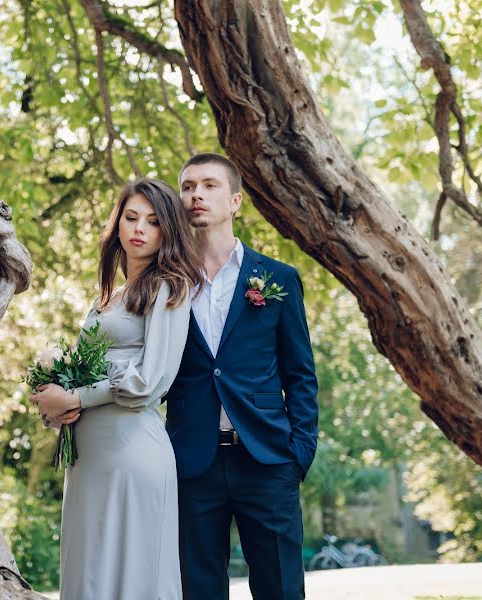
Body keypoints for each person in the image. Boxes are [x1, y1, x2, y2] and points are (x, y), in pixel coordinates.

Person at [31, 178, 203, 600]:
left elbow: (151, 379)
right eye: (131, 217)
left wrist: (77, 397)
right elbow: (81, 371)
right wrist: (56, 408)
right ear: (118, 224)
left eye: (152, 221)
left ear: (168, 231)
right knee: (88, 573)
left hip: (132, 449)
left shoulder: (168, 287)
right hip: (88, 456)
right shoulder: (107, 296)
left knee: (133, 577)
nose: (139, 228)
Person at [165, 153, 318, 600]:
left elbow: (300, 375)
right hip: (192, 463)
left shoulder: (278, 279)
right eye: (189, 186)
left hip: (267, 460)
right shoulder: (165, 283)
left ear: (235, 201)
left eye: (209, 185)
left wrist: (298, 453)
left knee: (281, 590)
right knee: (198, 591)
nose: (197, 194)